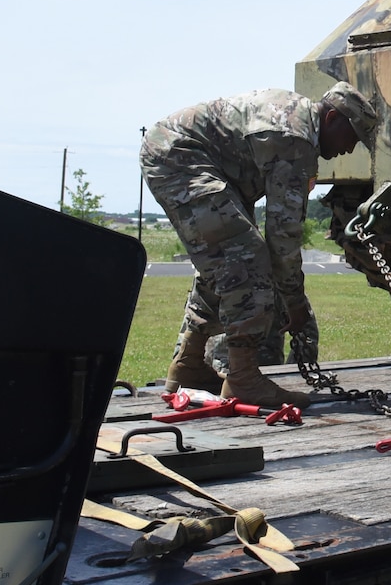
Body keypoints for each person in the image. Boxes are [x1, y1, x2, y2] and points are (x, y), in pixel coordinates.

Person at [141, 81, 378, 406]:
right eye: (352, 137)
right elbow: (283, 237)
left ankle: (187, 366)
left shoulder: (297, 124)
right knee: (246, 261)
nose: (349, 149)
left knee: (226, 263)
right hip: (180, 158)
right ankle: (243, 379)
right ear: (333, 118)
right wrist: (294, 304)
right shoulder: (295, 140)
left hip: (185, 156)